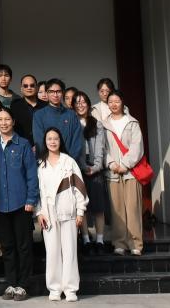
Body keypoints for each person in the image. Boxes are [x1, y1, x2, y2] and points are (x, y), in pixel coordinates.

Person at [0, 107, 37, 301]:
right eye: (0, 119)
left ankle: (23, 285)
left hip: (21, 203)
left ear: (13, 122)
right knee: (7, 247)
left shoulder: (23, 144)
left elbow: (32, 174)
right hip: (1, 205)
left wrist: (31, 199)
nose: (3, 123)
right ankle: (11, 283)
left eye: (7, 119)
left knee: (23, 246)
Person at [36, 128, 87, 302]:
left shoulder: (69, 162)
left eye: (55, 138)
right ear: (45, 142)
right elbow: (37, 191)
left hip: (68, 211)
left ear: (60, 141)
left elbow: (80, 188)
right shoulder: (41, 164)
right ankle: (54, 288)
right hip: (48, 214)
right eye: (49, 139)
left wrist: (80, 211)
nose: (52, 142)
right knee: (52, 252)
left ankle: (71, 289)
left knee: (70, 251)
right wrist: (39, 212)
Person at [103, 91, 144, 256]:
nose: (113, 104)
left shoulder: (132, 122)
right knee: (117, 211)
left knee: (133, 208)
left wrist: (125, 164)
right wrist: (111, 163)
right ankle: (119, 243)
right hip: (112, 173)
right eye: (110, 101)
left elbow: (137, 146)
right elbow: (102, 147)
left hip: (131, 172)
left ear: (122, 102)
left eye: (117, 101)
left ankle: (136, 243)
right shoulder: (104, 124)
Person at [72, 91, 109, 254]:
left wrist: (96, 167)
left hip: (95, 167)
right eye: (77, 102)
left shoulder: (96, 124)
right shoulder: (72, 123)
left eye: (83, 102)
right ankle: (86, 239)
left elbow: (101, 147)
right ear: (73, 106)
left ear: (88, 104)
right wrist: (82, 166)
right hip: (78, 168)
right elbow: (74, 148)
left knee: (99, 207)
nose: (80, 105)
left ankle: (100, 240)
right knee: (82, 206)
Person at [31, 79, 84, 172]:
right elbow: (39, 142)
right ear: (47, 93)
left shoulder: (71, 115)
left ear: (62, 93)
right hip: (48, 166)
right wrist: (51, 163)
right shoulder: (39, 115)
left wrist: (68, 162)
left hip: (69, 166)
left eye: (58, 91)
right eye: (51, 91)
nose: (55, 95)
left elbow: (77, 142)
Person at [9, 75, 41, 142]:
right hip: (22, 144)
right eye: (25, 86)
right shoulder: (15, 106)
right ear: (21, 89)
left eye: (32, 85)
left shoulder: (45, 105)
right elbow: (13, 128)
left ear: (37, 88)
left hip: (43, 144)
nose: (29, 88)